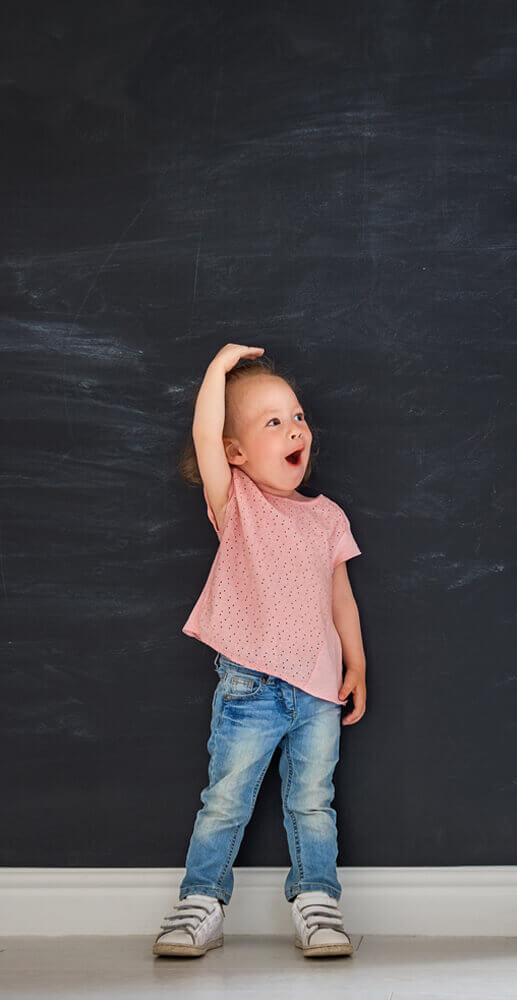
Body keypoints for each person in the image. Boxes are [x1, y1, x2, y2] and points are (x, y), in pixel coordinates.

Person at [152, 344, 367, 959]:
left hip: (318, 690)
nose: (294, 428)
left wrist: (356, 663)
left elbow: (342, 600)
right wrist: (219, 371)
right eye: (272, 421)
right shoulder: (237, 503)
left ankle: (318, 901)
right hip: (250, 687)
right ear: (235, 453)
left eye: (296, 416)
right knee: (225, 799)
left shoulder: (327, 516)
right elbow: (203, 431)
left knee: (312, 803)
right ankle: (200, 902)